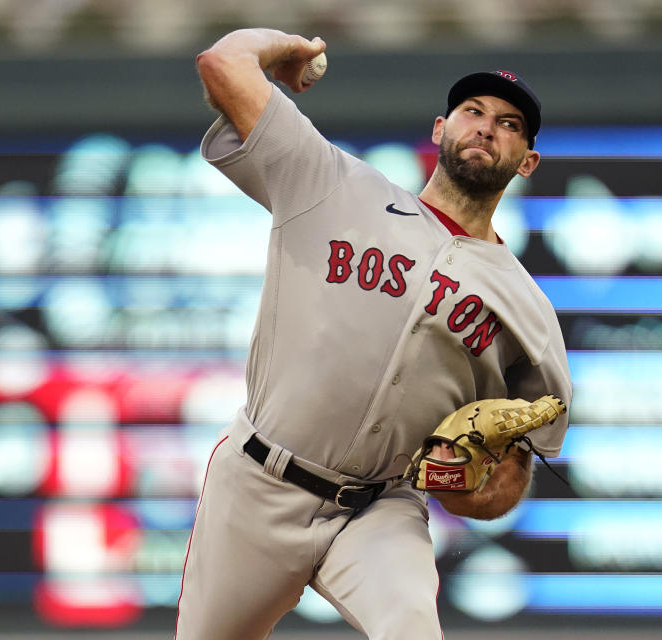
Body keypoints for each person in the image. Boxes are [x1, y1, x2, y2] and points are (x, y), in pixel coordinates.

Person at [175, 28, 572, 640]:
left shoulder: (529, 310)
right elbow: (223, 63)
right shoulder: (333, 186)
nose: (487, 127)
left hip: (379, 506)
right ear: (440, 129)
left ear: (528, 161)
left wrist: (475, 490)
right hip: (257, 483)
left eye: (510, 123)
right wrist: (288, 48)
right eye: (473, 111)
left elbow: (517, 463)